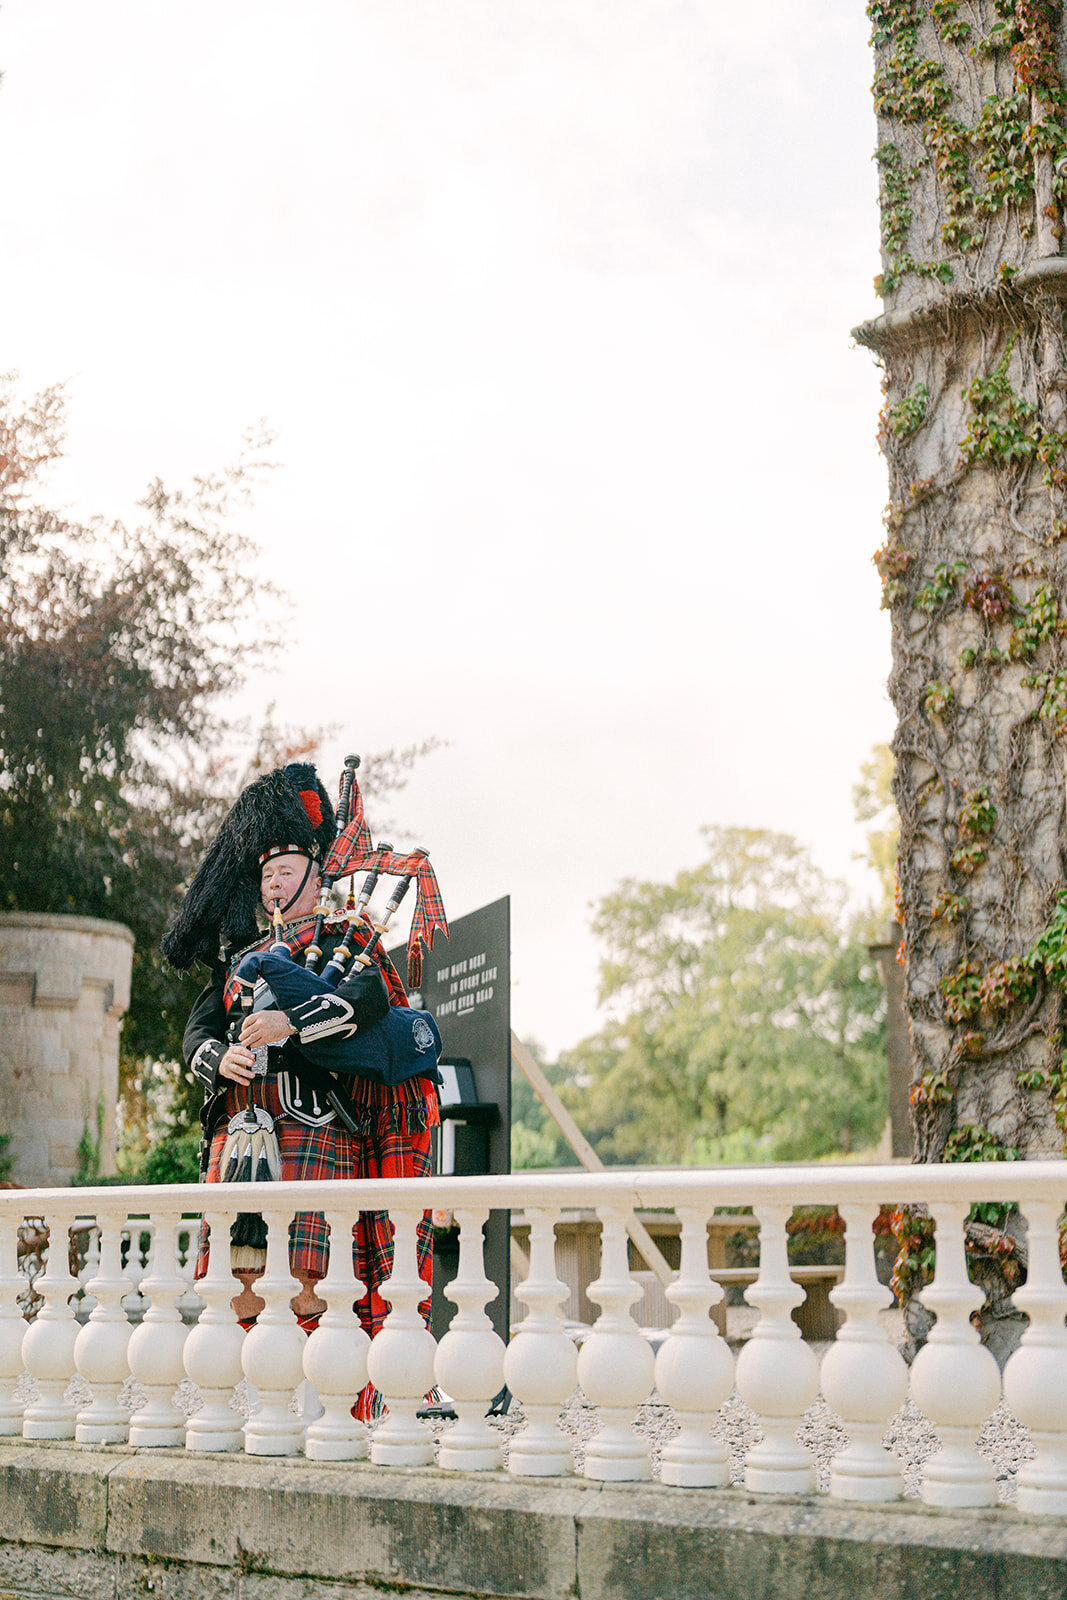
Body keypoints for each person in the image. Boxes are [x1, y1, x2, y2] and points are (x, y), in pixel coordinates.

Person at [161, 760, 440, 1409]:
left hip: (317, 1128)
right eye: (265, 875)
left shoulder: (350, 935)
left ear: (317, 874)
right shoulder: (236, 960)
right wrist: (216, 1058)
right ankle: (263, 1406)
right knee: (244, 1281)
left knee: (314, 1279)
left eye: (286, 870)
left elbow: (370, 998)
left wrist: (293, 1021)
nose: (274, 883)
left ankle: (324, 1407)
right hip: (241, 1140)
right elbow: (196, 1033)